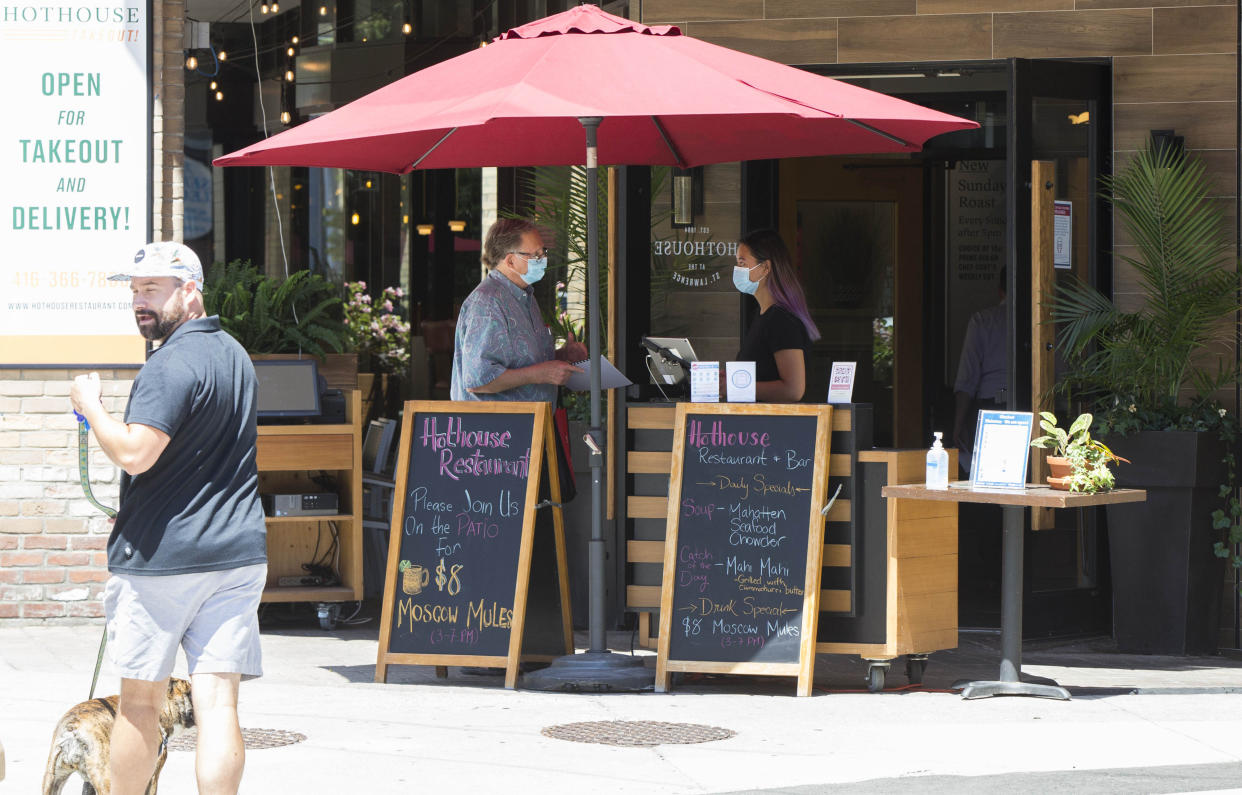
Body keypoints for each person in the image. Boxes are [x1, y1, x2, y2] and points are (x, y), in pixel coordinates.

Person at [69, 241, 267, 795]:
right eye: (134, 291)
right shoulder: (235, 354)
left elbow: (136, 452)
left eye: (152, 289)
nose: (140, 302)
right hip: (236, 555)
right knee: (220, 702)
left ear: (190, 290)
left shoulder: (169, 365)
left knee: (138, 704)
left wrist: (91, 406)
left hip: (163, 560)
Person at [451, 218, 587, 402]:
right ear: (511, 261)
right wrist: (539, 374)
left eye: (543, 252)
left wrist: (562, 356)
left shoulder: (525, 297)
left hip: (530, 424)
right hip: (497, 428)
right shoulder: (488, 303)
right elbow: (477, 379)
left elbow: (524, 362)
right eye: (536, 255)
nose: (543, 259)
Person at [733, 229, 821, 402]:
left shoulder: (781, 320)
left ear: (765, 268)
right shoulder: (762, 316)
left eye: (742, 263)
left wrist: (733, 388)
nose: (737, 269)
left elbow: (793, 390)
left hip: (775, 427)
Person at [952, 267, 1008, 473]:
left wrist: (958, 424)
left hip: (991, 410)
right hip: (1037, 411)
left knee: (990, 477)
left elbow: (968, 379)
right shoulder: (1044, 324)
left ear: (1000, 291)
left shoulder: (982, 321)